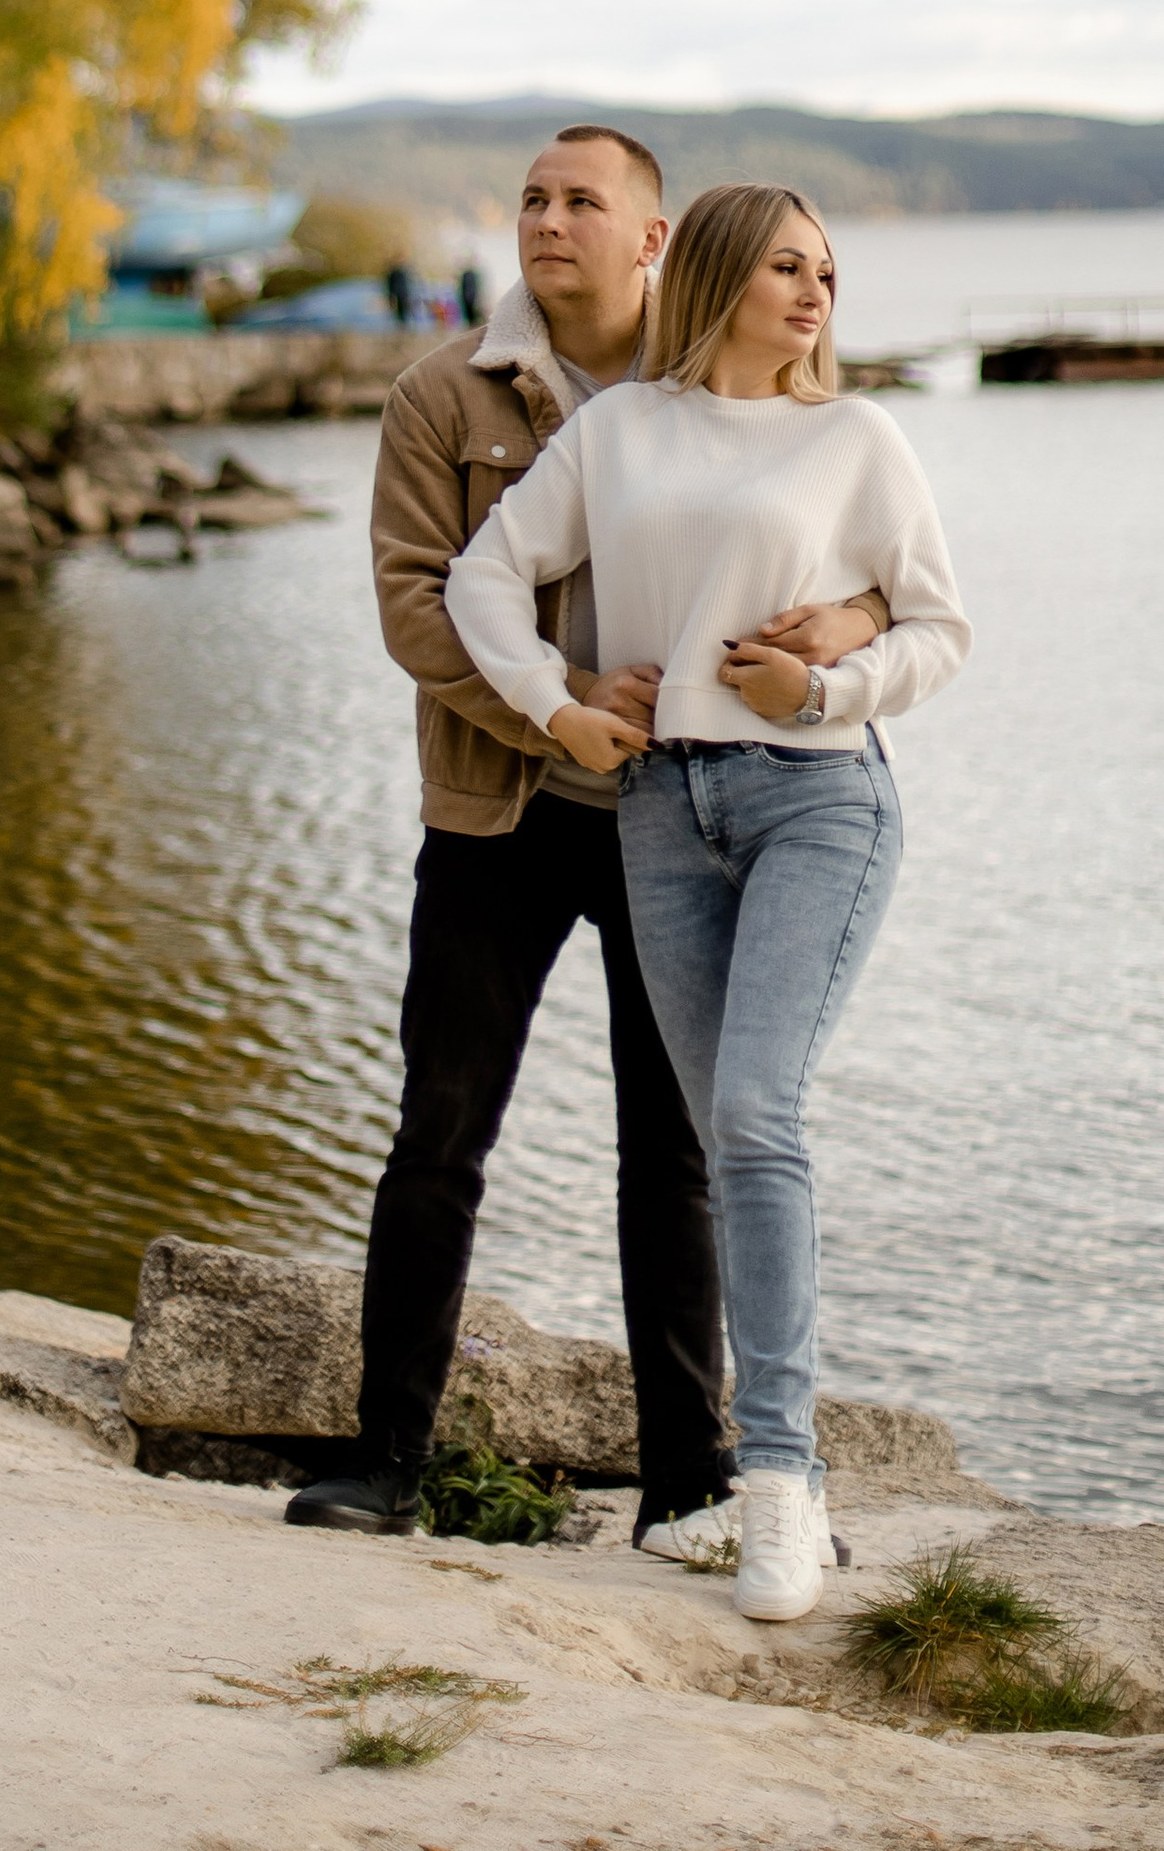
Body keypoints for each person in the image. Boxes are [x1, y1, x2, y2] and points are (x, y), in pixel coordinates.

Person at [283, 130, 890, 1545]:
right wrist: (557, 710)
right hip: (498, 810)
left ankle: (688, 1483)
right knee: (440, 1132)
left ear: (656, 240)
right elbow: (418, 608)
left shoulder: (726, 396)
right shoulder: (444, 395)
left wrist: (846, 633)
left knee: (674, 1152)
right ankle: (387, 1462)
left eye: (580, 202)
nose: (547, 223)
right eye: (532, 201)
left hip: (682, 821)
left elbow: (861, 571)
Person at [444, 181, 970, 1623]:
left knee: (752, 1116)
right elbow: (487, 578)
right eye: (790, 267)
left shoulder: (858, 436)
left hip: (820, 799)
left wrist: (833, 681)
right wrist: (555, 708)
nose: (816, 294)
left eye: (830, 272)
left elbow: (942, 626)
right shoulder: (616, 432)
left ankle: (781, 1489)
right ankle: (758, 1476)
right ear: (727, 273)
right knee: (713, 1132)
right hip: (662, 811)